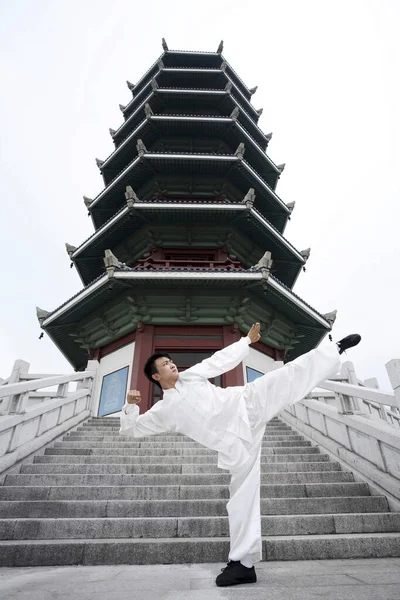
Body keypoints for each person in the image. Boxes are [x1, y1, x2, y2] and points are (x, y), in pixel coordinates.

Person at [119, 325, 361, 587]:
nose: (172, 365)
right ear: (156, 375)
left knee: (284, 377)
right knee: (240, 501)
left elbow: (217, 361)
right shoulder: (163, 411)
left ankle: (333, 349)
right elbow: (132, 430)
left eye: (171, 361)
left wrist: (246, 340)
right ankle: (243, 564)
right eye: (166, 364)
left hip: (246, 404)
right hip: (236, 446)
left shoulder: (193, 377)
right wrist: (131, 407)